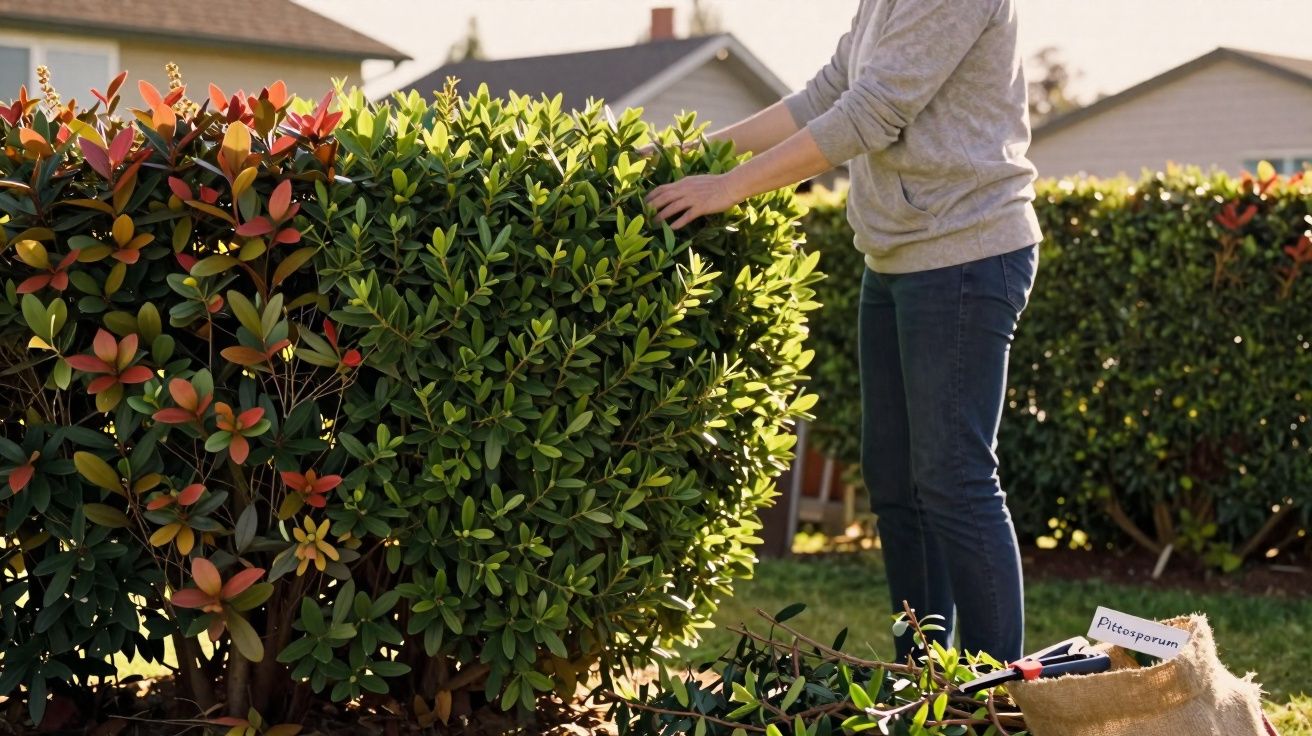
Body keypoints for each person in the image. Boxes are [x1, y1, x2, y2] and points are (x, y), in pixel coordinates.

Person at [644, 0, 1042, 663]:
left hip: (965, 252)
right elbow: (830, 92)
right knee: (894, 483)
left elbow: (871, 115)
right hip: (892, 257)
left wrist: (729, 187)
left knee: (953, 478)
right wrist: (692, 153)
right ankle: (926, 676)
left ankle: (996, 692)